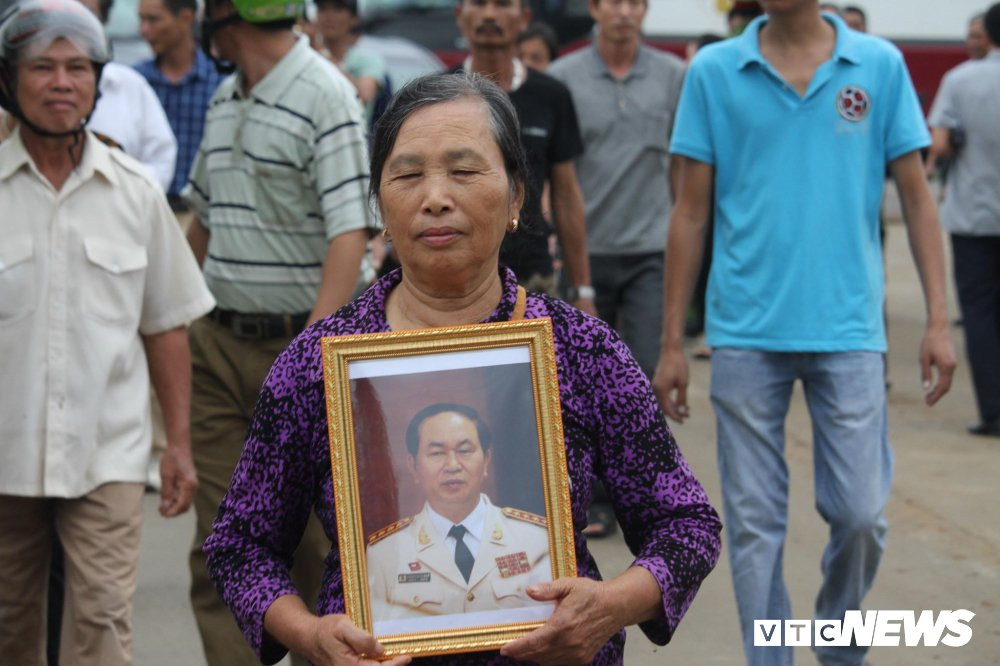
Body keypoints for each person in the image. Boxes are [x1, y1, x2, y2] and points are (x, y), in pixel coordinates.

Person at [203, 73, 722, 665]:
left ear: (517, 197)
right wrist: (309, 635)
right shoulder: (317, 364)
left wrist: (611, 606)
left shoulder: (582, 349)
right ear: (379, 205)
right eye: (407, 175)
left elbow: (685, 524)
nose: (435, 198)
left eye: (464, 170)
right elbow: (239, 546)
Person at [653, 3, 956, 666]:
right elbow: (690, 212)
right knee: (755, 527)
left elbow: (916, 197)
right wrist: (672, 342)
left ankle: (837, 639)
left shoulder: (876, 65)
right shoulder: (714, 71)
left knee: (860, 514)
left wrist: (938, 320)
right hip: (744, 331)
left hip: (849, 331)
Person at [0, 2, 214, 664]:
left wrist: (178, 446)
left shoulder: (135, 191)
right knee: (8, 623)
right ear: (9, 80)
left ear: (97, 81)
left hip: (109, 453)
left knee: (102, 620)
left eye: (78, 68)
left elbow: (166, 326)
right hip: (5, 454)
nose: (62, 83)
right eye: (43, 67)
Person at [183, 0, 377, 662]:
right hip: (217, 345)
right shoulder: (226, 96)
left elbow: (351, 229)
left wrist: (309, 357)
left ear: (225, 16)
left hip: (301, 349)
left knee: (319, 550)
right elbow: (204, 218)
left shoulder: (326, 94)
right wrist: (170, 316)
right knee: (222, 545)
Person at [549, 0, 685, 381]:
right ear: (594, 8)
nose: (624, 12)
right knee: (584, 373)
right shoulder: (563, 77)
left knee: (648, 371)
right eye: (614, 2)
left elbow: (681, 164)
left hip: (652, 250)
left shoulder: (674, 75)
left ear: (645, 10)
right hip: (586, 248)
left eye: (634, 3)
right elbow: (558, 173)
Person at [454, 0, 596, 317]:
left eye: (503, 4)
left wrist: (582, 290)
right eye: (478, 3)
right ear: (459, 16)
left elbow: (566, 195)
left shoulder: (551, 95)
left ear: (525, 18)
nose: (489, 14)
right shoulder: (436, 95)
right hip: (455, 278)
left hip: (533, 278)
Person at [367, 404, 551, 620]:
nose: (453, 465)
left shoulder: (536, 539)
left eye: (464, 451)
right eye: (437, 453)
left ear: (486, 460)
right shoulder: (384, 554)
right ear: (413, 465)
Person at [926, 2, 1000, 438]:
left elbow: (940, 143)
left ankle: (994, 410)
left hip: (975, 213)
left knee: (980, 313)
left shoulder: (960, 80)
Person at [78, 0, 178, 191]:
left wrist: (117, 194)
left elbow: (161, 162)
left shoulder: (130, 86)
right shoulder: (25, 87)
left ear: (103, 20)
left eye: (86, 14)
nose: (72, 22)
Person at [135, 0, 223, 208]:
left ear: (186, 18)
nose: (144, 30)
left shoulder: (220, 82)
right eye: (141, 20)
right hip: (146, 208)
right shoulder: (136, 82)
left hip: (201, 212)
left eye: (153, 20)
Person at [313, 0, 387, 129]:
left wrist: (321, 51)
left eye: (338, 9)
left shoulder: (368, 60)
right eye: (322, 9)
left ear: (354, 19)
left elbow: (363, 96)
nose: (329, 16)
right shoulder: (305, 55)